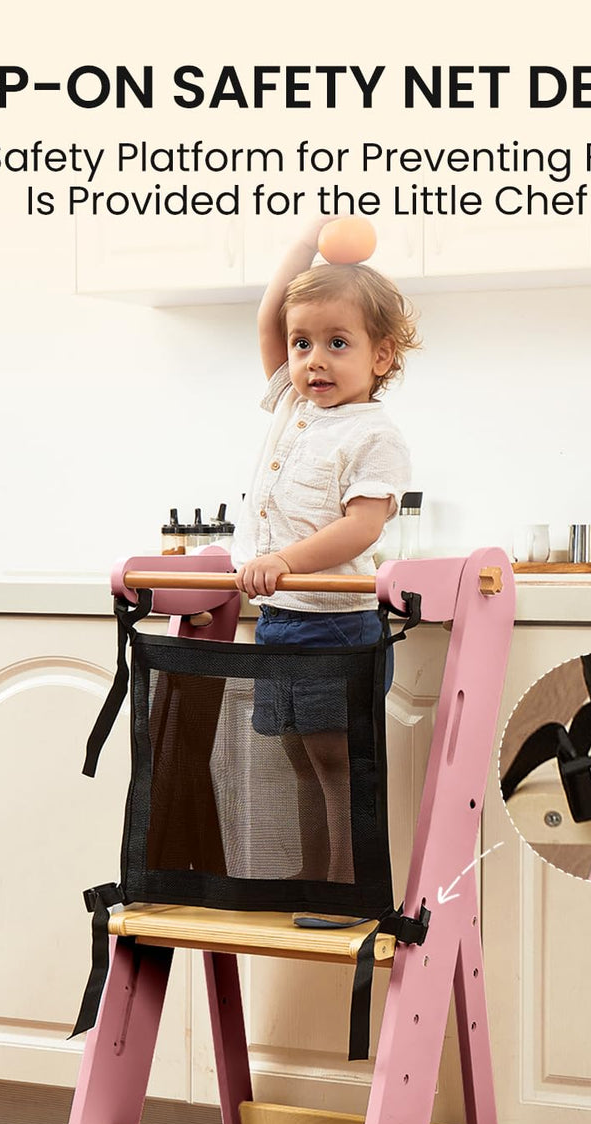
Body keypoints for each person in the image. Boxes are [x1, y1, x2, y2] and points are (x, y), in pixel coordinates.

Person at [231, 218, 420, 887]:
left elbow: (363, 526)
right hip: (281, 619)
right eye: (303, 342)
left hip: (334, 624)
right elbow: (267, 315)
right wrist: (307, 238)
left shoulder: (375, 434)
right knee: (298, 760)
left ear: (381, 356)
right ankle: (314, 876)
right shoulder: (293, 404)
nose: (314, 359)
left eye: (337, 343)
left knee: (336, 763)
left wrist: (285, 560)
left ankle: (343, 884)